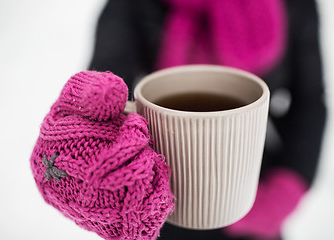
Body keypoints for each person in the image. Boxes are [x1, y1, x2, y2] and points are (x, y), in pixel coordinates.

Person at [89, 0, 327, 239]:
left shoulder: (297, 5)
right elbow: (106, 86)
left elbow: (309, 99)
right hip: (160, 188)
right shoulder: (132, 5)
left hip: (250, 184)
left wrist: (287, 186)